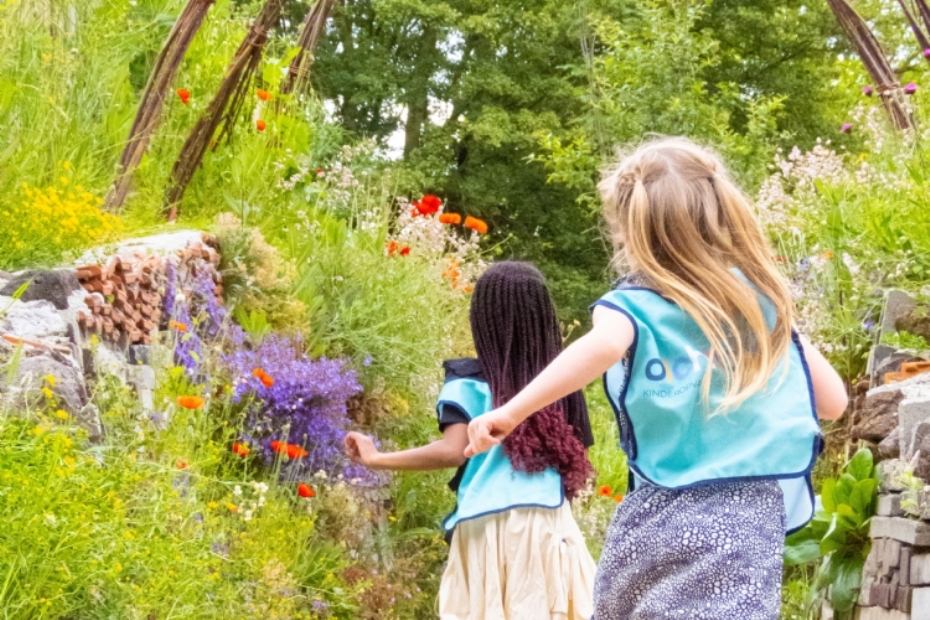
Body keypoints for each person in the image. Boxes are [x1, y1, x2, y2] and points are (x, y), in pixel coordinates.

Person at [463, 138, 848, 620]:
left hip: (653, 520)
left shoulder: (634, 306)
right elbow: (832, 402)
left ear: (629, 231)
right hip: (743, 526)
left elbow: (602, 347)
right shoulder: (760, 308)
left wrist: (511, 410)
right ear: (721, 214)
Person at [344, 261, 598, 620]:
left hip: (484, 525)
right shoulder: (561, 386)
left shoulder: (468, 382)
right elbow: (577, 455)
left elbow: (452, 451)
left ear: (483, 318)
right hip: (547, 523)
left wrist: (377, 458)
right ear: (544, 318)